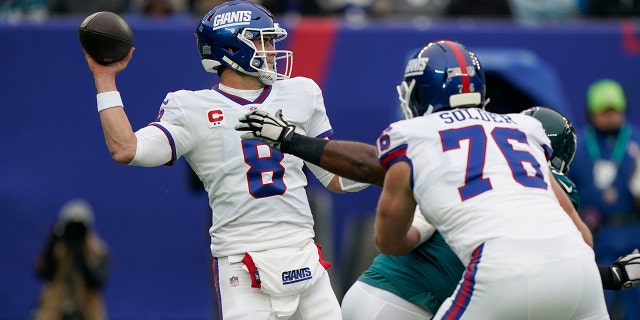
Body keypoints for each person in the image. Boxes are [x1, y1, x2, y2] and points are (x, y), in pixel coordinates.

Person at [237, 40, 610, 319]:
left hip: (495, 271)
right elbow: (584, 237)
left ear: (420, 93)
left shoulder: (416, 135)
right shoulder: (525, 130)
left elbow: (387, 232)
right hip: (580, 274)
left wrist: (290, 140)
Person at [81, 1, 376, 318]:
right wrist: (105, 78)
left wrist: (382, 170)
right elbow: (126, 149)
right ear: (232, 47)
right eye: (261, 40)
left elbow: (334, 178)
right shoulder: (191, 107)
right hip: (242, 262)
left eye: (271, 40)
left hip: (303, 254)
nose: (272, 49)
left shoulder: (301, 92)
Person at [569, 78, 640, 319]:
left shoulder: (636, 142)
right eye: (604, 111)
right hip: (595, 235)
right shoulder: (577, 145)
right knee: (596, 305)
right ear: (592, 112)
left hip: (633, 231)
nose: (610, 116)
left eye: (615, 110)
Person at [32, 199, 109, 320]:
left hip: (87, 310)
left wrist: (80, 254)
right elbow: (42, 272)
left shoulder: (98, 251)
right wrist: (53, 240)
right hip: (54, 309)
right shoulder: (58, 249)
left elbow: (96, 281)